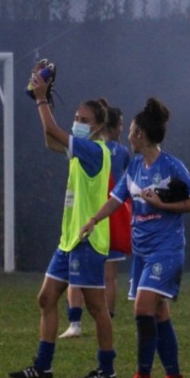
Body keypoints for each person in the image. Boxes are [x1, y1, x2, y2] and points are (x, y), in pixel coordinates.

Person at [80, 98, 190, 378]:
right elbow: (116, 198)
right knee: (159, 313)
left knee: (142, 309)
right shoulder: (134, 166)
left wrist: (163, 204)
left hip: (167, 249)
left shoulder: (172, 166)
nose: (129, 135)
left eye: (132, 131)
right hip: (142, 252)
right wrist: (94, 219)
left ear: (140, 135)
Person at [8, 74, 117, 378]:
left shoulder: (95, 151)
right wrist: (46, 98)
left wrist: (42, 97)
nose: (77, 123)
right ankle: (43, 368)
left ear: (97, 126)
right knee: (46, 298)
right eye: (75, 117)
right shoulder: (81, 147)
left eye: (83, 120)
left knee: (97, 309)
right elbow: (50, 138)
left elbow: (50, 129)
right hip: (69, 239)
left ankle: (107, 370)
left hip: (87, 239)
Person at [60, 106, 132, 339]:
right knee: (109, 275)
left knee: (75, 273)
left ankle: (75, 322)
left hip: (87, 217)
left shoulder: (88, 149)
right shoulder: (120, 152)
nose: (123, 128)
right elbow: (128, 185)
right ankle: (106, 318)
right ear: (112, 126)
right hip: (111, 218)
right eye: (121, 124)